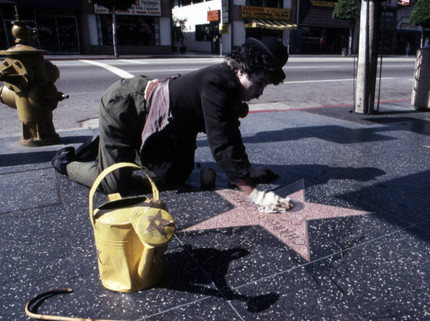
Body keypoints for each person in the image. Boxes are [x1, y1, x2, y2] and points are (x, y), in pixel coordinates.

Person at [52, 36, 291, 213]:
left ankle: (114, 147)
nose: (260, 92)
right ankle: (67, 163)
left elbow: (231, 135)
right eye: (259, 83)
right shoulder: (216, 85)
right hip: (126, 106)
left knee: (174, 177)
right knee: (114, 184)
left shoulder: (230, 87)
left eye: (265, 85)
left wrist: (246, 172)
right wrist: (255, 195)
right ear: (241, 70)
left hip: (169, 126)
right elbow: (222, 143)